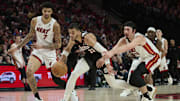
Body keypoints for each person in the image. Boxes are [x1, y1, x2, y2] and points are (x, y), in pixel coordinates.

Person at [8, 2, 64, 101]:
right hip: (38, 51)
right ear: (42, 11)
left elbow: (58, 44)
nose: (46, 13)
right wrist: (17, 47)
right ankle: (37, 97)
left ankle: (71, 92)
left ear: (52, 12)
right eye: (45, 11)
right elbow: (30, 35)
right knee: (29, 71)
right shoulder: (35, 20)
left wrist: (43, 45)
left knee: (56, 78)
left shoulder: (55, 25)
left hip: (50, 52)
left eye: (49, 11)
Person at [97, 21, 161, 101]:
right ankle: (149, 88)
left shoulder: (139, 38)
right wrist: (104, 59)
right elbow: (114, 49)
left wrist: (111, 53)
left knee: (136, 76)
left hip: (153, 57)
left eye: (128, 30)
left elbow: (127, 47)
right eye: (124, 30)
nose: (125, 32)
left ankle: (147, 96)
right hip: (143, 58)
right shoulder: (123, 40)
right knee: (131, 80)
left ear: (134, 31)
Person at [60, 23, 112, 101]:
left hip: (101, 57)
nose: (71, 35)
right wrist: (61, 60)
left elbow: (104, 51)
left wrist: (107, 64)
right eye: (69, 33)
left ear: (78, 32)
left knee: (112, 83)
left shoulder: (87, 37)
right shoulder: (73, 39)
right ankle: (65, 99)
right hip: (89, 58)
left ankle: (130, 87)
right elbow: (67, 50)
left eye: (73, 33)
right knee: (74, 74)